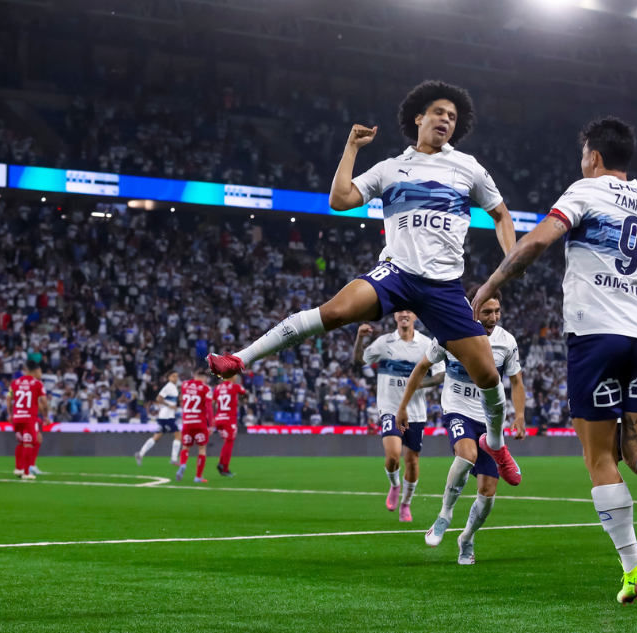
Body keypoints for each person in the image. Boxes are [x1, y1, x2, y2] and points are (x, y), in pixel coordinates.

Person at [208, 80, 522, 485]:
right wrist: (352, 148)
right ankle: (240, 358)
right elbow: (339, 200)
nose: (446, 119)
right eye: (440, 112)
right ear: (419, 118)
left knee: (488, 377)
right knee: (334, 311)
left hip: (444, 286)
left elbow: (502, 216)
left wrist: (507, 266)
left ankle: (495, 444)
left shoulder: (468, 167)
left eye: (453, 116)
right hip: (397, 273)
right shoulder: (390, 168)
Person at [472, 117, 637, 604]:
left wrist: (490, 284)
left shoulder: (585, 189)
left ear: (594, 157)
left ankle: (632, 569)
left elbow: (536, 241)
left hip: (596, 336)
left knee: (600, 456)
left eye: (583, 155)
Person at [401, 287, 526, 565]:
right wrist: (402, 406)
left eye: (496, 311)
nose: (493, 317)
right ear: (473, 310)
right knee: (466, 455)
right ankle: (445, 514)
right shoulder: (450, 334)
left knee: (488, 492)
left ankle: (466, 538)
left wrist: (519, 416)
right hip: (457, 411)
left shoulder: (507, 342)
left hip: (490, 420)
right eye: (486, 312)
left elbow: (517, 381)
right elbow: (421, 367)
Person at [353, 311, 445, 521]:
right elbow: (358, 362)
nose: (404, 314)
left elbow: (441, 374)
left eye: (409, 311)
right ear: (395, 315)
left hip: (416, 412)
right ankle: (395, 485)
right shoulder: (384, 342)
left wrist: (422, 383)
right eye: (400, 311)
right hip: (390, 408)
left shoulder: (426, 344)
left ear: (415, 315)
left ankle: (406, 503)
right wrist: (360, 337)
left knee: (412, 461)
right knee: (394, 455)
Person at [8, 361, 48, 480]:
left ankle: (18, 468)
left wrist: (10, 414)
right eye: (40, 371)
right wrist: (46, 416)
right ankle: (27, 471)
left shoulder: (15, 383)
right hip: (29, 417)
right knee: (29, 443)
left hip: (17, 417)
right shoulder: (37, 384)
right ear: (35, 371)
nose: (41, 373)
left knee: (22, 442)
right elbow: (43, 402)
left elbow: (9, 397)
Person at [136, 371, 182, 466]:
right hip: (167, 416)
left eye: (176, 376)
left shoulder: (173, 387)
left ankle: (140, 453)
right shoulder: (168, 386)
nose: (175, 378)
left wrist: (173, 406)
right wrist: (169, 405)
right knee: (178, 435)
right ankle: (173, 458)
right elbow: (158, 399)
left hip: (165, 416)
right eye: (173, 376)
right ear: (169, 377)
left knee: (156, 436)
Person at [175, 369, 214, 483]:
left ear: (195, 375)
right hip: (200, 423)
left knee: (185, 447)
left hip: (187, 422)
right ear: (205, 378)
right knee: (201, 449)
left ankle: (183, 464)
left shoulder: (184, 385)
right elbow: (209, 408)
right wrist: (210, 425)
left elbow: (183, 398)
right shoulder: (206, 388)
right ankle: (198, 477)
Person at [212, 375, 247, 477]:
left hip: (219, 418)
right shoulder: (235, 386)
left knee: (226, 442)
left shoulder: (217, 388)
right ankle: (224, 468)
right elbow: (244, 392)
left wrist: (215, 416)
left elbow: (213, 402)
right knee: (229, 442)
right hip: (229, 419)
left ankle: (222, 464)